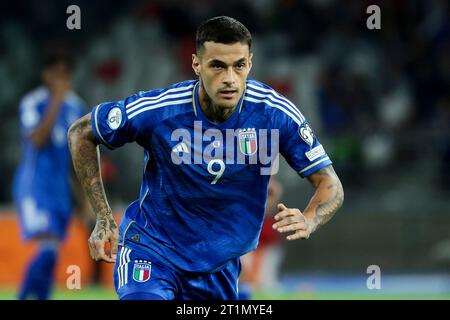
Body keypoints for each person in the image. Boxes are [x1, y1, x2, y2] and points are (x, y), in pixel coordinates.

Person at [68, 16, 344, 300]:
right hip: (152, 251)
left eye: (238, 66)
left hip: (218, 268)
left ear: (250, 63)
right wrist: (102, 216)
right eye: (217, 66)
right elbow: (82, 132)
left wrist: (310, 218)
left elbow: (329, 183)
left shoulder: (275, 114)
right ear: (196, 65)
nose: (229, 78)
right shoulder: (161, 110)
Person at [13, 49, 86, 300]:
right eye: (56, 73)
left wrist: (84, 199)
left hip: (60, 192)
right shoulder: (33, 102)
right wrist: (56, 100)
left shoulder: (76, 107)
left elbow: (78, 158)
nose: (61, 79)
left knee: (52, 254)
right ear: (45, 74)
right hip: (34, 187)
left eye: (66, 74)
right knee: (47, 251)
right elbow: (36, 140)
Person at [239, 177, 284, 299]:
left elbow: (275, 192)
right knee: (244, 277)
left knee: (267, 284)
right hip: (247, 242)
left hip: (266, 243)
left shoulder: (266, 197)